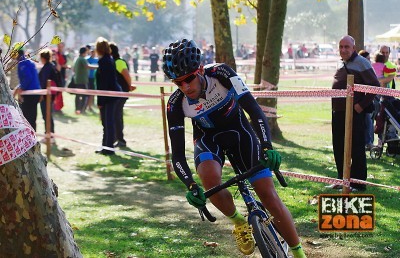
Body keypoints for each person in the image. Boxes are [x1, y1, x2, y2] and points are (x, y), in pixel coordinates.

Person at [162, 38, 306, 258]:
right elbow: (178, 155)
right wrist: (190, 185)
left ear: (200, 69)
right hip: (209, 140)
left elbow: (254, 111)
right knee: (209, 180)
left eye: (188, 79)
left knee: (268, 195)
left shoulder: (222, 74)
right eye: (177, 82)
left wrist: (267, 146)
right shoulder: (175, 104)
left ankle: (298, 254)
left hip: (240, 133)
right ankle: (239, 223)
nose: (185, 87)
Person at [329, 35, 380, 192]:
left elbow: (375, 86)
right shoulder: (341, 62)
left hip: (354, 113)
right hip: (338, 112)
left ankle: (358, 184)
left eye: (347, 47)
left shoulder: (362, 63)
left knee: (356, 148)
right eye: (341, 47)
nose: (343, 49)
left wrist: (360, 106)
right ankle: (341, 180)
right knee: (339, 146)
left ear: (353, 48)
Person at [95, 37, 122, 155]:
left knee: (108, 122)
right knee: (106, 122)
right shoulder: (108, 59)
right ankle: (105, 146)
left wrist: (100, 101)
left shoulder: (104, 61)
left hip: (109, 96)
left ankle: (109, 147)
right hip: (111, 95)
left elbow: (104, 83)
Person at [110, 42, 136, 148]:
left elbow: (126, 75)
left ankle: (120, 139)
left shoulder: (119, 62)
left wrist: (130, 86)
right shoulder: (112, 62)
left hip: (121, 92)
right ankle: (117, 137)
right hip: (117, 93)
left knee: (116, 115)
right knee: (116, 115)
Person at [13, 47, 41, 131]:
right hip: (35, 93)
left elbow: (28, 78)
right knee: (32, 116)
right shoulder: (29, 62)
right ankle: (33, 135)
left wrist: (21, 88)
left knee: (27, 117)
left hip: (29, 94)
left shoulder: (22, 63)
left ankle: (29, 136)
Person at [38, 48, 62, 144]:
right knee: (48, 115)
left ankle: (50, 136)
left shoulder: (47, 68)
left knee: (46, 115)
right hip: (50, 95)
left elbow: (44, 82)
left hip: (46, 96)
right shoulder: (51, 66)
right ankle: (49, 134)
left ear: (43, 58)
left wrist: (41, 95)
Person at [73, 46, 97, 114]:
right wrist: (98, 67)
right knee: (84, 96)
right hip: (82, 80)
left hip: (78, 79)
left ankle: (77, 109)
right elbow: (88, 66)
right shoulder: (82, 59)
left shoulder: (78, 59)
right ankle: (82, 109)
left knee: (78, 95)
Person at [358, 50, 375, 151]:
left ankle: (369, 143)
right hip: (362, 103)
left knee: (369, 123)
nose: (369, 61)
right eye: (368, 59)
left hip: (368, 103)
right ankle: (368, 143)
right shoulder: (361, 70)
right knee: (367, 123)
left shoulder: (368, 69)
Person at [86, 47, 98, 112]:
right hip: (88, 78)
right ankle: (86, 106)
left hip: (94, 78)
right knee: (88, 93)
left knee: (93, 93)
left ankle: (90, 106)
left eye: (94, 52)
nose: (93, 53)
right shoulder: (87, 59)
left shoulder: (97, 60)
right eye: (92, 51)